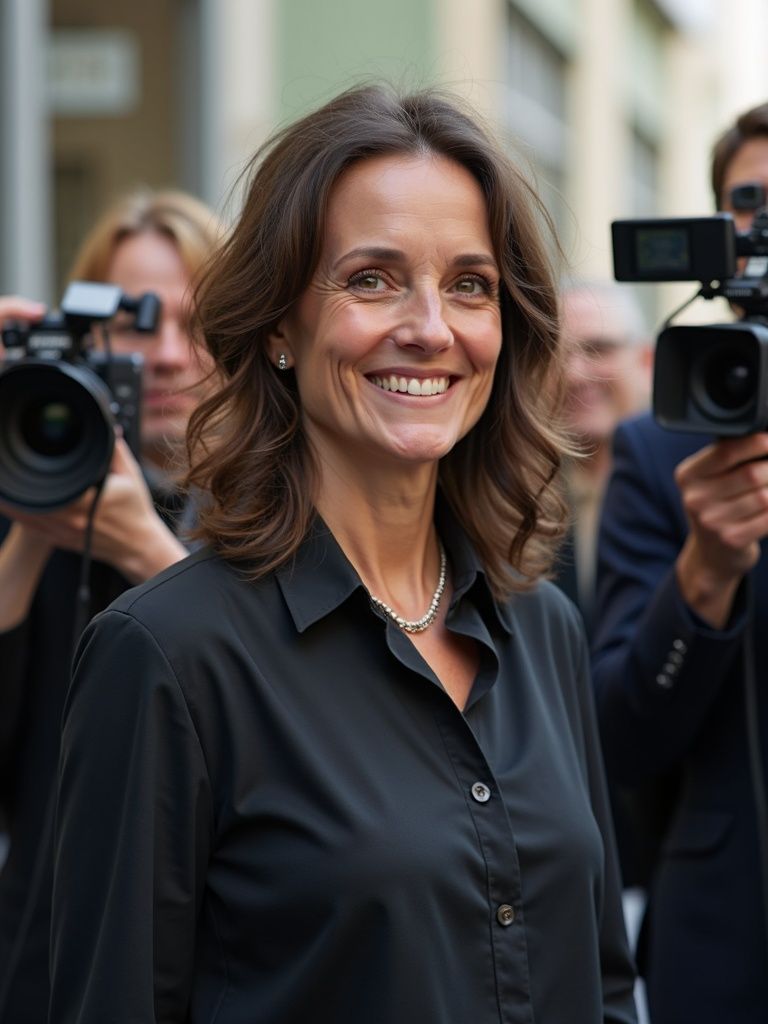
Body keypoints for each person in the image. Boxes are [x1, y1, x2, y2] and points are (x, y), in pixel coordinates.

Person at [49, 84, 637, 1024]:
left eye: (470, 284)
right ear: (280, 324)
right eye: (372, 278)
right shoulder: (166, 655)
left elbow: (603, 986)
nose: (431, 328)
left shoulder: (545, 629)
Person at [0, 189, 222, 1024]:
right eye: (136, 324)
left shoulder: (288, 508)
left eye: (196, 326)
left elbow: (294, 711)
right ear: (81, 342)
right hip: (45, 954)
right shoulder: (25, 476)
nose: (166, 356)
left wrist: (145, 549)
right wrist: (31, 516)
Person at [593, 100, 768, 1024]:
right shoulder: (658, 449)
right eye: (749, 202)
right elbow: (620, 737)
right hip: (727, 940)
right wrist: (704, 574)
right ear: (714, 235)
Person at [554, 279, 651, 632]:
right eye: (555, 352)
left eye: (599, 349)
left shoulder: (699, 484)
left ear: (648, 361)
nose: (573, 373)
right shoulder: (511, 497)